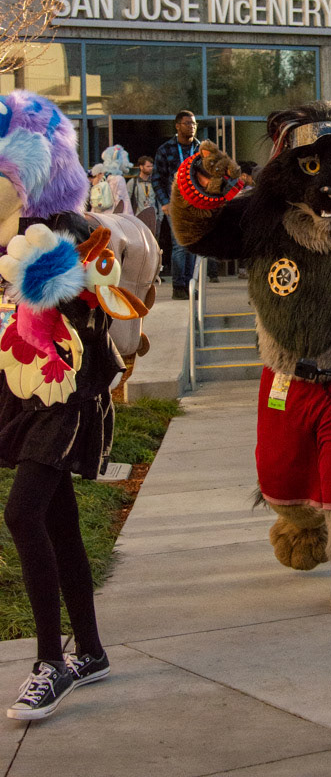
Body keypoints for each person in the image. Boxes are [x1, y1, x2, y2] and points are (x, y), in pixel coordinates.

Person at [0, 90, 128, 721]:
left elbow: (94, 320)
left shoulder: (77, 233)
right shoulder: (6, 232)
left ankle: (50, 663)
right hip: (22, 392)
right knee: (58, 523)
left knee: (22, 514)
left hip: (67, 397)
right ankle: (91, 652)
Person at [153, 111, 200, 299]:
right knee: (180, 245)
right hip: (175, 205)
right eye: (188, 123)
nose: (192, 127)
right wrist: (165, 203)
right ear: (178, 126)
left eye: (194, 124)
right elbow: (157, 179)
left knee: (193, 245)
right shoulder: (166, 150)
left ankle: (191, 285)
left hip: (196, 205)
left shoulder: (200, 149)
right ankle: (179, 287)